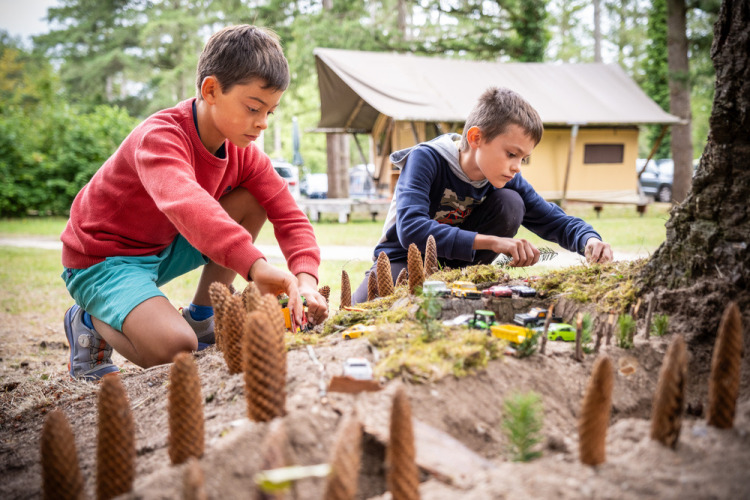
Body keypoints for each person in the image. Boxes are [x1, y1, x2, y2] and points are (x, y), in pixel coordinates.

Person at [60, 25, 328, 381]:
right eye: (253, 108)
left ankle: (204, 316)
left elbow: (290, 217)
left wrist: (306, 281)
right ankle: (89, 317)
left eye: (271, 112)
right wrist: (257, 268)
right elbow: (189, 207)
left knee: (253, 199)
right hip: (102, 259)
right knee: (175, 347)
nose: (262, 123)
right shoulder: (160, 138)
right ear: (211, 90)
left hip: (163, 247)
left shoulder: (243, 152)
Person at [352, 87, 613, 304]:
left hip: (461, 267)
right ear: (476, 137)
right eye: (511, 154)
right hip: (404, 259)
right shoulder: (427, 158)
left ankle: (465, 282)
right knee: (357, 315)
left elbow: (553, 219)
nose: (516, 166)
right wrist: (494, 242)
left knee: (511, 202)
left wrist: (588, 240)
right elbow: (411, 229)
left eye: (523, 158)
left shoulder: (506, 178)